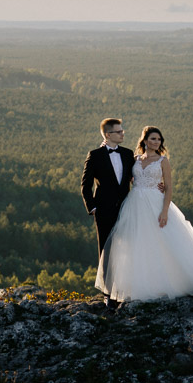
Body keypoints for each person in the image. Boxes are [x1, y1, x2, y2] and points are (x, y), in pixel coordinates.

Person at [95, 126, 193, 303]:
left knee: (164, 240)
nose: (156, 142)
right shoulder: (134, 159)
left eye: (159, 140)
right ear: (144, 140)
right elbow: (119, 172)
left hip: (156, 203)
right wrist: (104, 145)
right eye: (153, 139)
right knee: (137, 244)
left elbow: (168, 187)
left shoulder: (163, 161)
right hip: (134, 204)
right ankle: (138, 285)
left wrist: (164, 211)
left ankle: (172, 281)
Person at [81, 118, 133, 308]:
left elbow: (137, 177)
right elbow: (85, 185)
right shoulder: (95, 155)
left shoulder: (128, 154)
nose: (123, 133)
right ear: (108, 134)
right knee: (106, 250)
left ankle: (126, 289)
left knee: (127, 248)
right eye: (119, 131)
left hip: (127, 209)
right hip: (103, 210)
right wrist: (93, 207)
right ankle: (108, 293)